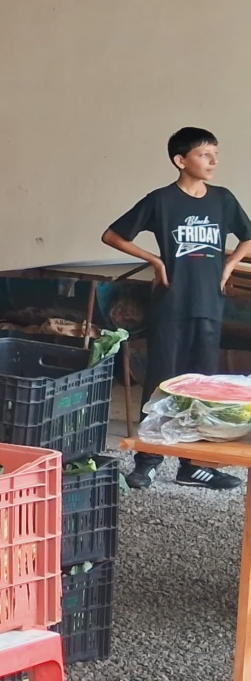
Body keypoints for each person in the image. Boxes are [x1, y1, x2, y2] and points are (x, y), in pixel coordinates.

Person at [104, 126, 251, 491]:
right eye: (204, 155)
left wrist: (229, 265)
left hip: (209, 304)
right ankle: (148, 460)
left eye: (215, 154)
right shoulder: (161, 200)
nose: (213, 161)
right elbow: (112, 235)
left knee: (202, 384)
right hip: (171, 304)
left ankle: (194, 465)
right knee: (162, 380)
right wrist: (155, 261)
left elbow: (248, 236)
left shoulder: (223, 200)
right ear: (181, 161)